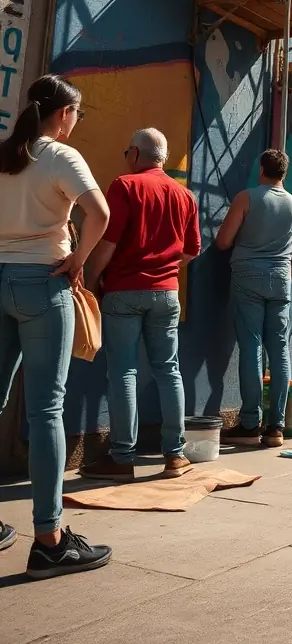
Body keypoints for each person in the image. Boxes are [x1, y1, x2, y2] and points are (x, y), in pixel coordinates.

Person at [0, 75, 112, 578]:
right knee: (46, 411)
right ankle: (48, 539)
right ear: (64, 113)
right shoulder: (61, 157)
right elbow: (100, 213)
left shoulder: (6, 154)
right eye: (78, 114)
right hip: (43, 282)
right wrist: (77, 259)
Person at [80, 129, 201, 480]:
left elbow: (108, 242)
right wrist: (164, 270)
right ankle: (175, 455)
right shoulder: (185, 196)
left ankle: (121, 458)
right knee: (168, 370)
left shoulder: (125, 186)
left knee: (123, 372)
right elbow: (192, 250)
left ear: (135, 153)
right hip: (167, 294)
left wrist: (90, 281)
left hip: (123, 292)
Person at [214, 149, 292, 449]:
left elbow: (223, 241)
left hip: (247, 276)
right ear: (284, 172)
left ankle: (249, 423)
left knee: (251, 347)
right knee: (279, 349)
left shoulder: (247, 198)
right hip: (281, 279)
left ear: (261, 169)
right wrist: (286, 272)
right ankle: (276, 427)